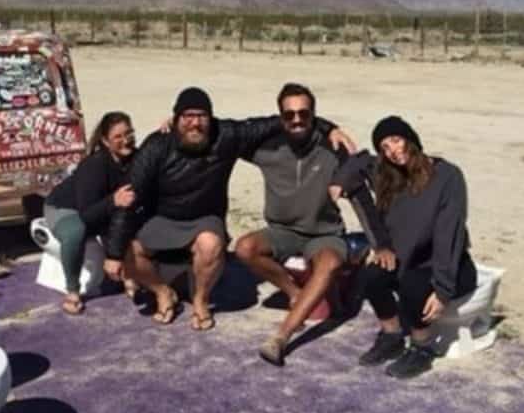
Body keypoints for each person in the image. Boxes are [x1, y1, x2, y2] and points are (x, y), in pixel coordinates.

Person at [103, 87, 354, 332]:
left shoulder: (226, 135)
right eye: (188, 116)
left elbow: (286, 120)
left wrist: (329, 127)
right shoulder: (157, 145)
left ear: (210, 118)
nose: (195, 123)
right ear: (176, 118)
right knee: (128, 252)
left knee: (211, 244)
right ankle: (162, 292)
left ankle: (201, 300)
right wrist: (113, 252)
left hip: (205, 218)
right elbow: (129, 195)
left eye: (201, 116)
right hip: (165, 217)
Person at [235, 83, 385, 366]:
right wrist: (180, 121)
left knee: (328, 262)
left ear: (314, 115)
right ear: (280, 117)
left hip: (324, 234)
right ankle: (295, 294)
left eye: (303, 114)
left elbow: (360, 196)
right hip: (282, 231)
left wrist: (381, 243)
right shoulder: (266, 148)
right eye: (289, 115)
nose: (296, 120)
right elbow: (224, 136)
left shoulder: (333, 148)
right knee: (244, 248)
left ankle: (281, 338)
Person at [337, 116, 477, 379]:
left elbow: (450, 234)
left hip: (449, 264)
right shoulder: (388, 174)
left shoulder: (447, 176)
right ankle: (392, 336)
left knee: (412, 285)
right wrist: (339, 181)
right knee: (370, 276)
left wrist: (443, 288)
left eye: (396, 140)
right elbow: (357, 162)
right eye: (385, 148)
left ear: (411, 139)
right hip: (406, 259)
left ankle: (422, 349)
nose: (393, 151)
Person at [42, 111, 137, 315]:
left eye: (129, 133)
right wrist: (113, 201)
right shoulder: (94, 165)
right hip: (65, 207)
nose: (126, 140)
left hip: (101, 208)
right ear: (105, 140)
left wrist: (168, 127)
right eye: (118, 137)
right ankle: (73, 290)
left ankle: (131, 275)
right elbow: (87, 215)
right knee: (76, 231)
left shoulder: (134, 159)